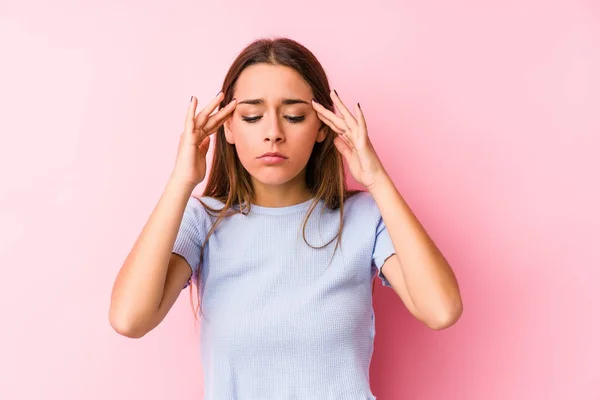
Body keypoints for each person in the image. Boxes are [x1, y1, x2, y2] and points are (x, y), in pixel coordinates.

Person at [109, 36, 463, 399]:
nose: (273, 133)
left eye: (294, 116)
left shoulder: (364, 218)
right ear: (228, 127)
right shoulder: (203, 221)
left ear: (323, 126)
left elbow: (441, 310)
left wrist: (377, 179)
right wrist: (182, 181)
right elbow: (129, 320)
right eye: (251, 116)